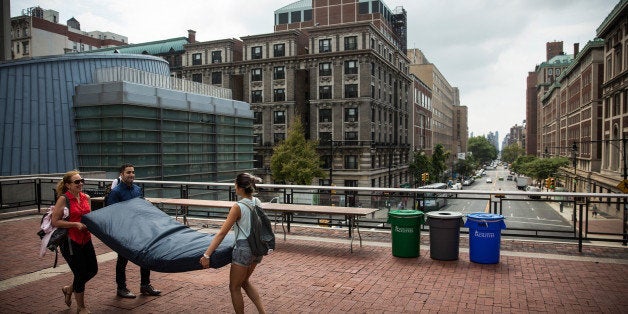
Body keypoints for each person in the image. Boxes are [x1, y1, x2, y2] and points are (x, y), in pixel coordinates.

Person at [200, 173, 266, 314]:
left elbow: (222, 233)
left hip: (243, 250)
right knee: (244, 282)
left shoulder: (238, 207)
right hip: (257, 249)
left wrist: (207, 255)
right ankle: (262, 312)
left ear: (240, 188)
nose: (234, 186)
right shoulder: (257, 202)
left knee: (234, 287)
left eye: (235, 184)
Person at [107, 163, 161, 298]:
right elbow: (112, 213)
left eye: (133, 172)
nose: (131, 175)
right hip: (124, 231)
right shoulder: (116, 192)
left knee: (145, 256)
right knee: (122, 260)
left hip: (139, 228)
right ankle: (121, 288)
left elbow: (140, 205)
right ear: (121, 175)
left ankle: (145, 285)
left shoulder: (137, 189)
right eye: (128, 172)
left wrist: (146, 203)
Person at [52, 170, 97, 314]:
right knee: (80, 273)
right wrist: (75, 224)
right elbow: (55, 221)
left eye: (82, 180)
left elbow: (89, 217)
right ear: (68, 185)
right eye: (77, 182)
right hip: (71, 241)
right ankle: (81, 307)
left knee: (93, 269)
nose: (81, 183)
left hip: (86, 239)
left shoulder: (86, 197)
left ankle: (69, 289)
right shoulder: (64, 199)